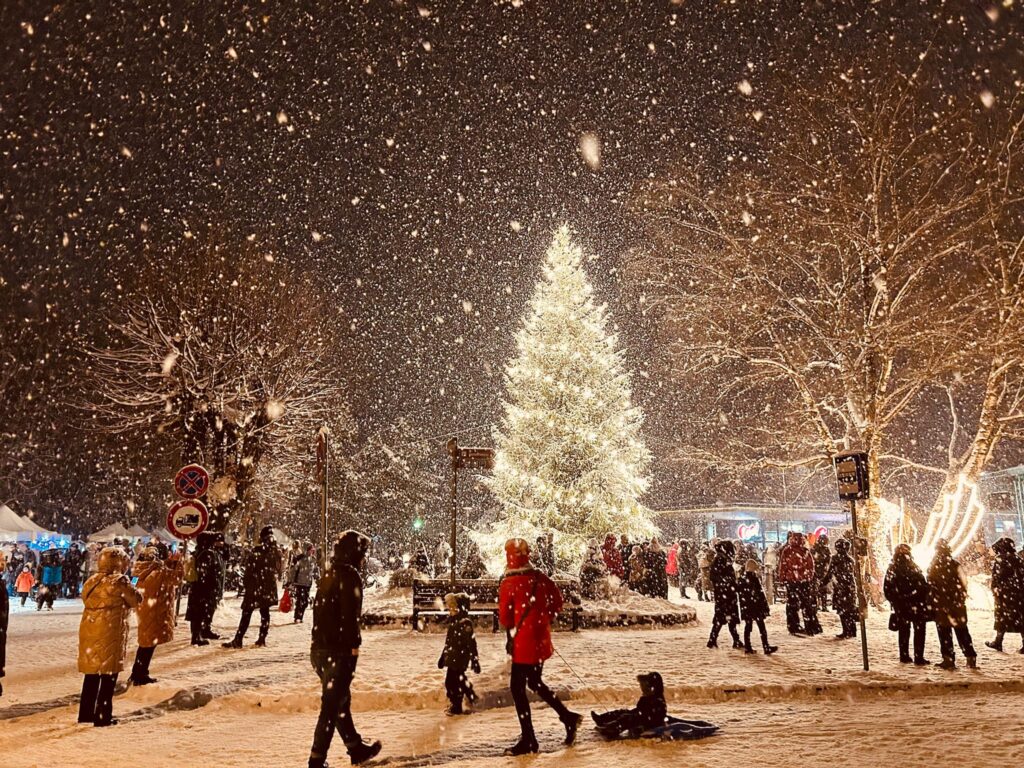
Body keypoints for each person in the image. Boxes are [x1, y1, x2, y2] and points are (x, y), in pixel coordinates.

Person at [498, 538, 582, 756]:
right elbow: (557, 601)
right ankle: (567, 717)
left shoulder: (509, 582)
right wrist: (543, 619)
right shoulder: (539, 577)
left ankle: (529, 739)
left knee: (517, 689)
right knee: (534, 682)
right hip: (540, 639)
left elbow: (505, 617)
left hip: (523, 642)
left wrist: (517, 628)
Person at [308, 530, 381, 768]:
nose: (365, 558)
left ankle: (355, 746)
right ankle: (317, 759)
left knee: (339, 700)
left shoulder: (329, 573)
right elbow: (350, 617)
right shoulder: (350, 576)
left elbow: (319, 611)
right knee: (331, 707)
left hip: (320, 648)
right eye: (363, 552)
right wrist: (352, 647)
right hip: (338, 651)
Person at [77, 547, 141, 726]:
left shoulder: (92, 580)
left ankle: (85, 713)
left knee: (92, 674)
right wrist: (134, 586)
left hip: (91, 630)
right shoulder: (120, 581)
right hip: (110, 631)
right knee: (108, 674)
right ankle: (102, 716)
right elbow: (135, 600)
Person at [130, 546, 183, 685]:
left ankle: (137, 672)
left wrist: (169, 563)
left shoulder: (137, 570)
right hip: (156, 611)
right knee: (148, 646)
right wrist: (177, 563)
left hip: (144, 610)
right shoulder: (160, 572)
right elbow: (176, 578)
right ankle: (140, 674)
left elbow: (133, 585)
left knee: (144, 643)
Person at [224, 525, 282, 649]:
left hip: (255, 586)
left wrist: (247, 584)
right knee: (264, 612)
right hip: (267, 587)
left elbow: (249, 571)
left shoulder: (257, 553)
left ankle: (238, 639)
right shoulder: (275, 552)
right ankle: (262, 638)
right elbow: (277, 569)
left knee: (247, 612)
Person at [928, 539, 977, 670]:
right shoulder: (955, 564)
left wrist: (933, 601)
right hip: (956, 605)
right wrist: (960, 597)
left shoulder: (934, 566)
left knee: (944, 633)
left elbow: (931, 586)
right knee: (962, 632)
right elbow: (964, 582)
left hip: (941, 605)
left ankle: (948, 658)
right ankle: (970, 657)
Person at [883, 543, 931, 665]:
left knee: (904, 630)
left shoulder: (892, 569)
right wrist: (920, 596)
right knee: (919, 630)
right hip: (916, 604)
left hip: (901, 605)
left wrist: (895, 601)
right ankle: (918, 657)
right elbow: (922, 586)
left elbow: (887, 588)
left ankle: (904, 655)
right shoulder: (914, 567)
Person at [437, 592, 480, 715]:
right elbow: (449, 642)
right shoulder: (454, 621)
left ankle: (456, 705)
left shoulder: (465, 623)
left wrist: (475, 660)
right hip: (453, 657)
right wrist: (443, 657)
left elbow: (472, 643)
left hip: (460, 657)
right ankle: (471, 697)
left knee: (451, 682)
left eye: (453, 607)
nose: (450, 609)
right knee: (459, 679)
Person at [590, 672, 667, 737]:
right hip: (642, 716)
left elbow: (650, 715)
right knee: (623, 712)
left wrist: (635, 715)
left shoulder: (658, 701)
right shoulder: (648, 698)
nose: (642, 689)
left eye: (644, 686)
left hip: (648, 722)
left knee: (627, 718)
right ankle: (602, 719)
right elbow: (640, 709)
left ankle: (611, 729)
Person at [778, 532, 820, 635]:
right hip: (803, 581)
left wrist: (783, 578)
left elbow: (783, 566)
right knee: (806, 604)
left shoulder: (787, 551)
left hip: (791, 581)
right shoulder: (805, 551)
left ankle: (793, 625)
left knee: (792, 604)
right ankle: (810, 626)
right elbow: (811, 566)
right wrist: (808, 577)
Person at [986, 537, 1024, 652]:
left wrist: (995, 588)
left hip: (1004, 594)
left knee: (1001, 618)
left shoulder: (1000, 560)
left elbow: (997, 577)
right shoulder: (1018, 559)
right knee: (1020, 618)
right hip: (1018, 594)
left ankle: (998, 641)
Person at [186, 531, 223, 645]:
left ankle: (201, 632)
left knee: (199, 611)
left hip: (198, 587)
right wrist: (212, 584)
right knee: (201, 611)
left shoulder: (198, 551)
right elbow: (206, 572)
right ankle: (197, 636)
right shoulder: (207, 553)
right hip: (204, 588)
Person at [737, 559, 777, 654]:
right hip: (756, 607)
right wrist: (764, 606)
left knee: (748, 627)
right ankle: (765, 646)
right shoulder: (754, 579)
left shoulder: (742, 579)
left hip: (747, 607)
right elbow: (759, 594)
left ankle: (748, 647)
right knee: (761, 627)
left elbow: (741, 594)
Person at [707, 540, 742, 649]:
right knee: (724, 617)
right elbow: (715, 576)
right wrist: (728, 584)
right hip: (725, 594)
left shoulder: (722, 558)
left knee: (725, 617)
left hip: (725, 593)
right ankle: (714, 639)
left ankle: (734, 639)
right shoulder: (721, 559)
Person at [827, 539, 859, 639]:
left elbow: (830, 573)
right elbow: (854, 574)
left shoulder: (836, 559)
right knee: (850, 610)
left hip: (841, 587)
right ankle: (852, 630)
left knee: (843, 610)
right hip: (850, 587)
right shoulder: (851, 560)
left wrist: (823, 583)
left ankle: (846, 630)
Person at [286, 542, 319, 624]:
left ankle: (300, 616)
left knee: (305, 602)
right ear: (306, 550)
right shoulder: (299, 558)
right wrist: (290, 581)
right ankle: (297, 617)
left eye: (312, 550)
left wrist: (318, 580)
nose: (312, 551)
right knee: (300, 600)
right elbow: (293, 571)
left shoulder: (313, 559)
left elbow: (315, 571)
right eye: (310, 550)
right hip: (299, 583)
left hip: (308, 583)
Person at [36, 545, 63, 611]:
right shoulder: (55, 560)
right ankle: (45, 605)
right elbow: (39, 570)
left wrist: (37, 579)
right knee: (47, 593)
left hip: (47, 579)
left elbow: (39, 571)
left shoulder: (44, 559)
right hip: (49, 580)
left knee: (45, 593)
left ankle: (43, 605)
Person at [811, 535, 832, 611]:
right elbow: (828, 560)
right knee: (821, 589)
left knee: (817, 589)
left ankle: (818, 605)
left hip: (818, 571)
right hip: (821, 571)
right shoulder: (823, 549)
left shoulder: (815, 548)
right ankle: (822, 605)